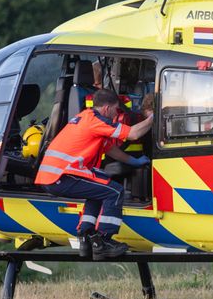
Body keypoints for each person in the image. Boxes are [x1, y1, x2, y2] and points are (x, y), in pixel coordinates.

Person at [34, 88, 155, 259]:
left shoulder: (86, 117)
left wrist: (133, 161)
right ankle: (104, 241)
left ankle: (87, 237)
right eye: (115, 110)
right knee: (115, 191)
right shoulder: (97, 121)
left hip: (54, 176)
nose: (116, 114)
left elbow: (110, 149)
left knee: (99, 192)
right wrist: (153, 118)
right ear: (107, 108)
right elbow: (133, 134)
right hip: (62, 175)